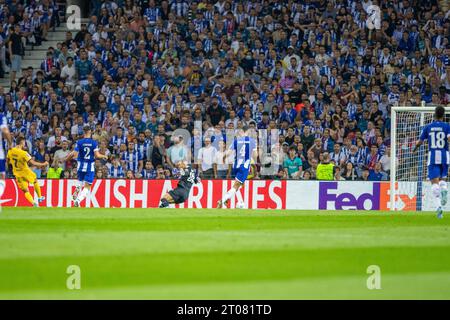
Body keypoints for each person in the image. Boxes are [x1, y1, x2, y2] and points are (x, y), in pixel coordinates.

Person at [413, 106, 450, 218]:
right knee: (442, 179)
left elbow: (420, 142)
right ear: (443, 115)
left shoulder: (428, 127)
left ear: (434, 114)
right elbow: (449, 138)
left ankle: (439, 208)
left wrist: (414, 150)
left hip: (433, 156)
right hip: (445, 155)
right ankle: (444, 189)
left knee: (434, 183)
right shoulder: (447, 126)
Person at [65, 126, 108, 207]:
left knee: (80, 180)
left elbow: (74, 154)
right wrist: (104, 156)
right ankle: (78, 200)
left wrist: (66, 159)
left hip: (80, 166)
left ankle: (77, 188)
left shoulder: (79, 142)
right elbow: (97, 155)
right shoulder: (94, 143)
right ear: (90, 131)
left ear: (83, 132)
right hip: (89, 167)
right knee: (88, 186)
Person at [217, 127, 257, 208]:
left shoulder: (236, 141)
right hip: (244, 166)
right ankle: (222, 200)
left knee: (240, 184)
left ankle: (229, 199)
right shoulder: (252, 141)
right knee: (237, 185)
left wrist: (224, 158)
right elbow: (256, 155)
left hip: (236, 166)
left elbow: (228, 153)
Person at [6, 137, 48, 206]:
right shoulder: (24, 153)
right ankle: (40, 197)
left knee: (26, 191)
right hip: (25, 172)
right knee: (35, 180)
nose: (24, 144)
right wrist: (43, 164)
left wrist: (10, 168)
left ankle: (33, 203)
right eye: (24, 143)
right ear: (22, 142)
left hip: (17, 174)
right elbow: (33, 163)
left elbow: (7, 162)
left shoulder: (10, 151)